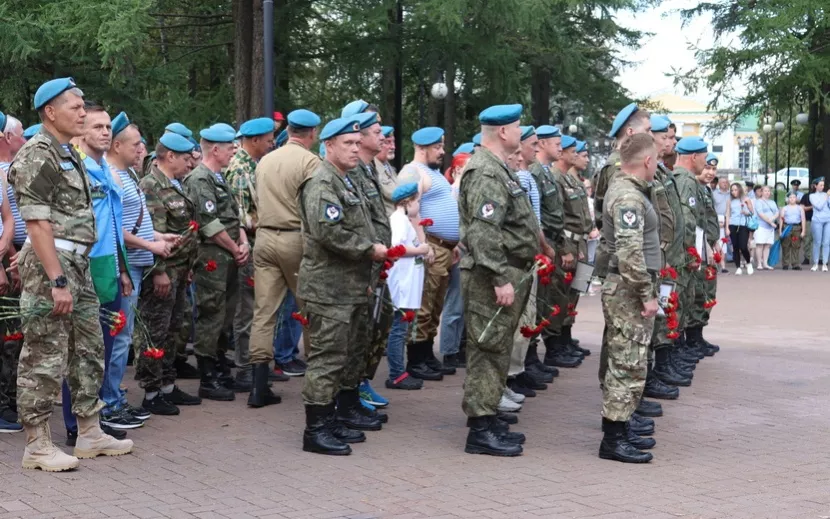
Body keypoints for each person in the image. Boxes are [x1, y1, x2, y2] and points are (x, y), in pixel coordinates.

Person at [11, 78, 133, 471]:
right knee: (44, 355)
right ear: (50, 112)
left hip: (79, 263)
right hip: (54, 265)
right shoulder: (37, 154)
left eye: (83, 106)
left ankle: (89, 431)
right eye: (76, 107)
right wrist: (55, 279)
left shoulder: (68, 153)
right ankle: (37, 443)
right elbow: (36, 222)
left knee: (89, 348)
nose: (84, 112)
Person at [458, 104, 553, 457]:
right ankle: (480, 429)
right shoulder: (485, 172)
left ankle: (489, 414)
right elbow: (484, 232)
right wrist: (499, 276)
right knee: (487, 348)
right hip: (492, 273)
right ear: (502, 132)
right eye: (517, 127)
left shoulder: (498, 168)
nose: (521, 132)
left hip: (510, 268)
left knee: (497, 348)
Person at [298, 116, 388, 456]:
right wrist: (370, 249)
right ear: (329, 145)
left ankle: (331, 416)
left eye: (356, 143)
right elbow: (329, 232)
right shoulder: (322, 182)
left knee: (345, 355)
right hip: (328, 288)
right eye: (347, 143)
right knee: (326, 357)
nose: (355, 148)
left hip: (348, 285)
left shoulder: (345, 180)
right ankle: (315, 428)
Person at [62, 103, 138, 436]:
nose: (105, 132)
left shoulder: (106, 170)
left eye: (108, 127)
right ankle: (75, 426)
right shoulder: (73, 169)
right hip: (83, 265)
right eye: (97, 127)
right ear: (80, 131)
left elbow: (114, 223)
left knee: (103, 348)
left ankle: (96, 417)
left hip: (108, 265)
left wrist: (122, 269)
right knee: (80, 350)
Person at [248, 109, 321, 407]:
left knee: (264, 313)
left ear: (289, 130)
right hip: (295, 239)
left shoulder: (266, 159)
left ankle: (258, 386)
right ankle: (320, 379)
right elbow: (314, 206)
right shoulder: (310, 162)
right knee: (311, 309)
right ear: (312, 133)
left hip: (264, 237)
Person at [598, 132, 660, 464]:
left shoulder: (629, 190)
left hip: (626, 288)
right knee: (626, 362)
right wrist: (646, 294)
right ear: (647, 161)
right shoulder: (628, 197)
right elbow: (630, 254)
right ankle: (614, 438)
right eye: (656, 160)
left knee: (629, 359)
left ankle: (621, 427)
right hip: (627, 290)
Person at [183, 120, 250, 401]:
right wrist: (236, 247)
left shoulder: (220, 177)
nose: (233, 152)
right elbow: (208, 223)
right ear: (213, 149)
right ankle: (208, 375)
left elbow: (234, 216)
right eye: (229, 148)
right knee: (212, 314)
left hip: (230, 255)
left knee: (226, 314)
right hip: (213, 258)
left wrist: (243, 242)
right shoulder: (200, 179)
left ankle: (221, 366)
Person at [397, 127, 459, 381]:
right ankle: (416, 358)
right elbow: (409, 210)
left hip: (444, 248)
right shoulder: (413, 172)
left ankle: (426, 353)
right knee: (424, 303)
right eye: (437, 147)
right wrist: (424, 243)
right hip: (431, 246)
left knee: (435, 305)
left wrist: (453, 244)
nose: (442, 152)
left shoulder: (434, 173)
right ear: (422, 148)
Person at [225, 117, 276, 393]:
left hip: (256, 246)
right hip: (248, 247)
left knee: (256, 307)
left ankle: (257, 365)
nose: (272, 144)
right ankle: (245, 367)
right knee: (247, 309)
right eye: (268, 140)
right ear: (254, 140)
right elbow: (242, 218)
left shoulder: (253, 165)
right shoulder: (241, 170)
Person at [547, 134, 593, 364]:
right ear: (563, 153)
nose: (577, 156)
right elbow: (559, 218)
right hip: (567, 242)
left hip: (579, 242)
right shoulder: (556, 178)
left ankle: (564, 339)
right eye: (573, 152)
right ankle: (554, 347)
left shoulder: (571, 179)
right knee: (559, 295)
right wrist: (566, 247)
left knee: (572, 295)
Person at [526, 125, 566, 375]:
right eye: (556, 143)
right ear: (541, 144)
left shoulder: (546, 172)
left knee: (543, 301)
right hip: (543, 244)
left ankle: (532, 358)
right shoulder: (533, 172)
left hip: (551, 243)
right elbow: (534, 214)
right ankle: (529, 359)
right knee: (535, 302)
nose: (560, 147)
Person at [385, 182, 429, 390]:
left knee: (401, 328)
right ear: (407, 202)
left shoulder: (405, 220)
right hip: (402, 283)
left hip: (408, 281)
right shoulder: (399, 221)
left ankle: (398, 370)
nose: (419, 205)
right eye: (417, 201)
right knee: (398, 330)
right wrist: (420, 249)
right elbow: (397, 247)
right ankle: (396, 373)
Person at [0, 111, 24, 433]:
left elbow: (8, 219)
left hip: (6, 257)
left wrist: (7, 251)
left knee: (11, 334)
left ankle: (7, 401)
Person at [439, 151, 472, 370]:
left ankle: (458, 346)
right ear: (459, 169)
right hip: (460, 249)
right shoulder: (453, 191)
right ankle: (449, 350)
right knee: (455, 303)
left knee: (464, 304)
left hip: (468, 250)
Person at [725, 183, 754, 275]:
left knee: (743, 246)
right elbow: (728, 214)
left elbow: (752, 212)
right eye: (732, 190)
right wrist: (727, 227)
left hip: (743, 225)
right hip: (733, 224)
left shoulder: (746, 199)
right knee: (735, 247)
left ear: (740, 190)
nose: (734, 192)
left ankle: (748, 263)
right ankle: (738, 267)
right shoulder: (729, 200)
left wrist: (746, 212)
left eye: (735, 190)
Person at [374, 126, 399, 214]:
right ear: (378, 144)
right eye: (388, 142)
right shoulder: (372, 169)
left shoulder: (390, 168)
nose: (393, 147)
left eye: (393, 142)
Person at [779, 191, 806, 270]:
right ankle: (785, 263)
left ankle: (795, 264)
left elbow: (803, 219)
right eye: (790, 197)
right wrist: (780, 230)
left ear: (796, 198)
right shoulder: (785, 208)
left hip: (796, 228)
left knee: (796, 245)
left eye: (794, 197)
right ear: (788, 199)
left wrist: (803, 230)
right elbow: (781, 220)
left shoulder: (800, 208)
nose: (792, 199)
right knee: (786, 245)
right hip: (787, 228)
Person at [754, 185, 779, 269]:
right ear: (761, 192)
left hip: (770, 227)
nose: (767, 192)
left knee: (767, 245)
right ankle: (759, 264)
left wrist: (773, 218)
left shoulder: (772, 202)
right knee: (760, 245)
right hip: (761, 226)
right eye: (765, 191)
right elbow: (761, 214)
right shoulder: (758, 202)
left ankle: (765, 263)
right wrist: (770, 222)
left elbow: (777, 212)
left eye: (768, 191)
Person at [809, 177, 829, 271]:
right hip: (817, 220)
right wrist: (826, 197)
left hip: (828, 219)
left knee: (826, 242)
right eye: (820, 185)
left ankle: (825, 263)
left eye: (823, 185)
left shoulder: (827, 195)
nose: (822, 187)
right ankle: (816, 263)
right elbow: (819, 206)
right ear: (815, 186)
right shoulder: (812, 196)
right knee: (817, 242)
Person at [712, 177, 731, 272]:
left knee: (724, 244)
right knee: (717, 242)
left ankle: (723, 266)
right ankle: (716, 264)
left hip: (729, 219)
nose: (725, 183)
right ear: (719, 183)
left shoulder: (731, 194)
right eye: (723, 182)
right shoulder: (714, 194)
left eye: (726, 182)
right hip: (717, 219)